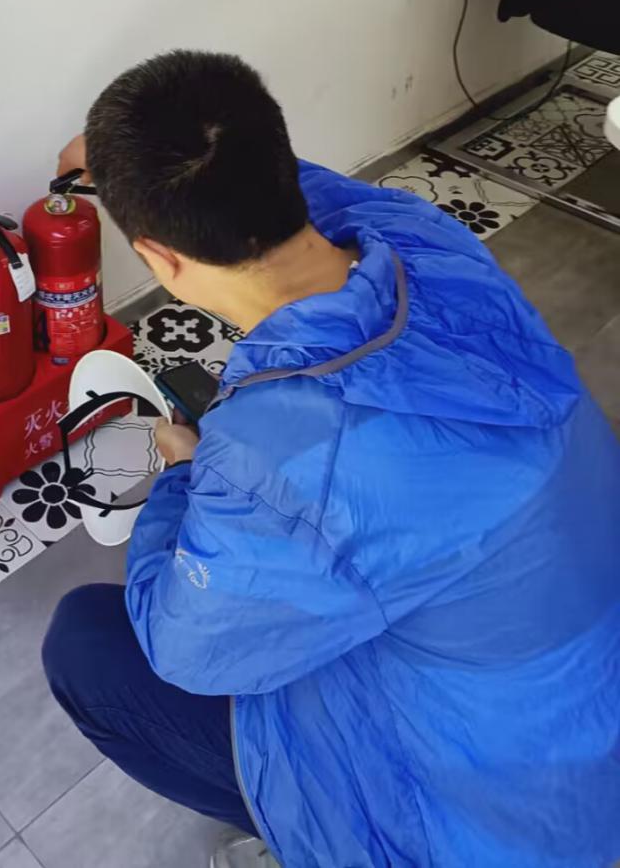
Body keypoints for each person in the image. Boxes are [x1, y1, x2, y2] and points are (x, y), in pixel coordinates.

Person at [41, 50, 620, 868]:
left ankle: (317, 842)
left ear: (160, 261)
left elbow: (186, 649)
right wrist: (118, 164)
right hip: (580, 712)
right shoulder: (423, 234)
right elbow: (294, 186)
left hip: (480, 824)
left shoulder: (280, 461)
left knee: (87, 647)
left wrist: (178, 476)